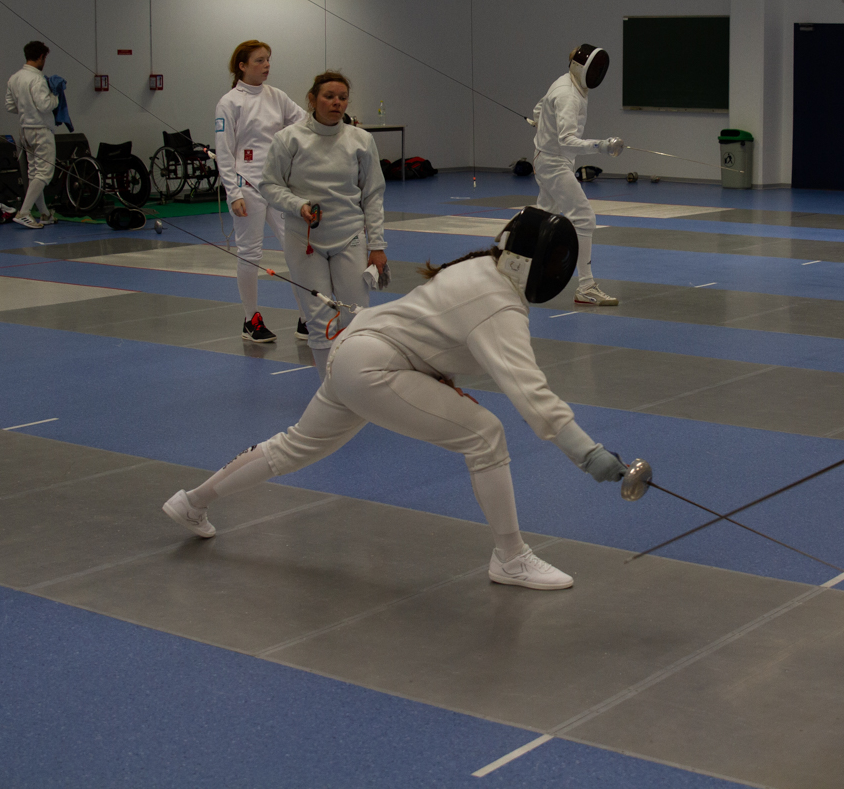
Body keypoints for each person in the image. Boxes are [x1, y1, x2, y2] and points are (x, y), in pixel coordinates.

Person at [161, 207, 631, 590]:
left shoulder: (479, 267)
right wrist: (587, 453)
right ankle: (511, 558)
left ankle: (192, 501)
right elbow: (529, 391)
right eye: (552, 260)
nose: (558, 270)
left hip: (355, 353)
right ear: (526, 263)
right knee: (485, 435)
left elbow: (433, 337)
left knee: (295, 445)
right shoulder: (498, 304)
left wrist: (436, 377)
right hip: (374, 366)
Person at [259, 71, 387, 375]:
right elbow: (269, 185)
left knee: (356, 317)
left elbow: (373, 195)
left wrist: (377, 245)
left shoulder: (361, 140)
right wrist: (297, 205)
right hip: (304, 240)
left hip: (349, 237)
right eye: (329, 96)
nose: (336, 103)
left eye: (342, 98)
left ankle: (354, 382)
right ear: (312, 99)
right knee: (320, 320)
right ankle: (330, 389)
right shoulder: (289, 138)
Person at [214, 40, 310, 344]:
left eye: (268, 59)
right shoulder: (229, 102)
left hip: (278, 186)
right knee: (250, 254)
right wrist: (233, 193)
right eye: (259, 60)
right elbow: (224, 152)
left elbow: (305, 122)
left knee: (297, 250)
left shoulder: (276, 96)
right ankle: (250, 319)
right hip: (247, 187)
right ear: (242, 66)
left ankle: (306, 318)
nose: (266, 65)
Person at [531, 44, 624, 306]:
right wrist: (602, 146)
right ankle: (586, 287)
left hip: (548, 158)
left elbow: (539, 109)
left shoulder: (565, 83)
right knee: (584, 218)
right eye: (592, 69)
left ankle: (516, 267)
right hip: (554, 162)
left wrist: (541, 122)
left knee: (543, 218)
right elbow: (567, 140)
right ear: (579, 69)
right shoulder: (567, 95)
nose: (596, 75)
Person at [4, 41, 59, 230]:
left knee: (35, 173)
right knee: (44, 173)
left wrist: (26, 109)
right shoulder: (37, 79)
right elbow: (45, 105)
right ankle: (25, 212)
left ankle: (44, 213)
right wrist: (55, 96)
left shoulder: (14, 78)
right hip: (40, 131)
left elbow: (10, 106)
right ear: (41, 57)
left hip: (24, 132)